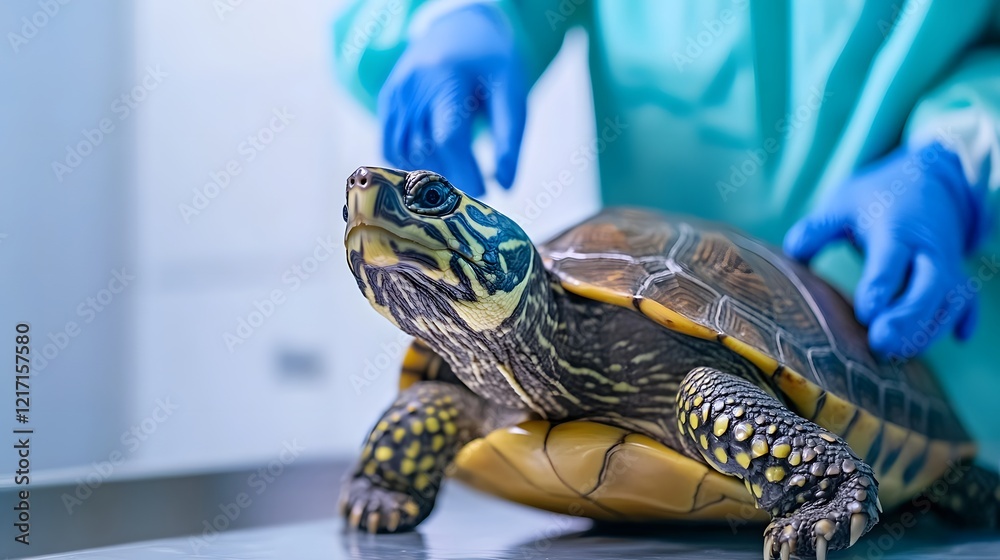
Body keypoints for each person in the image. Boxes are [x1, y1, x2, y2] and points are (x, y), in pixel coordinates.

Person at [333, 0, 1000, 457]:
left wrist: (960, 155)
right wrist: (462, 12)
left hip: (933, 351)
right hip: (631, 341)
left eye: (427, 204)